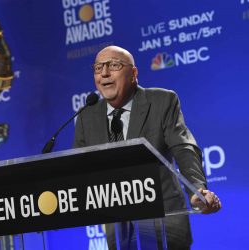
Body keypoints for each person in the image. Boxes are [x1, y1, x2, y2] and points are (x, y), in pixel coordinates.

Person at [73, 45, 221, 249]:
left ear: (133, 73)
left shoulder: (161, 101)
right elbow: (78, 169)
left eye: (113, 65)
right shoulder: (86, 116)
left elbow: (183, 146)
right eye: (98, 68)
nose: (104, 73)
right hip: (118, 226)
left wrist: (197, 189)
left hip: (165, 219)